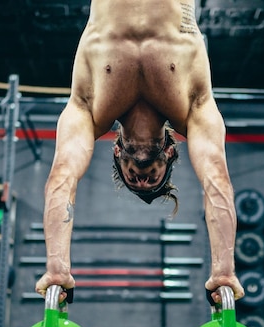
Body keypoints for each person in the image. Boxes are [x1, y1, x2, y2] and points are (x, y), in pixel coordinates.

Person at [35, 0, 245, 305]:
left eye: (134, 179)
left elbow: (62, 177)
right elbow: (216, 179)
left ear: (117, 150)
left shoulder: (88, 109)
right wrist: (224, 272)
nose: (142, 178)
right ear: (171, 152)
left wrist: (57, 269)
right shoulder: (195, 108)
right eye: (152, 180)